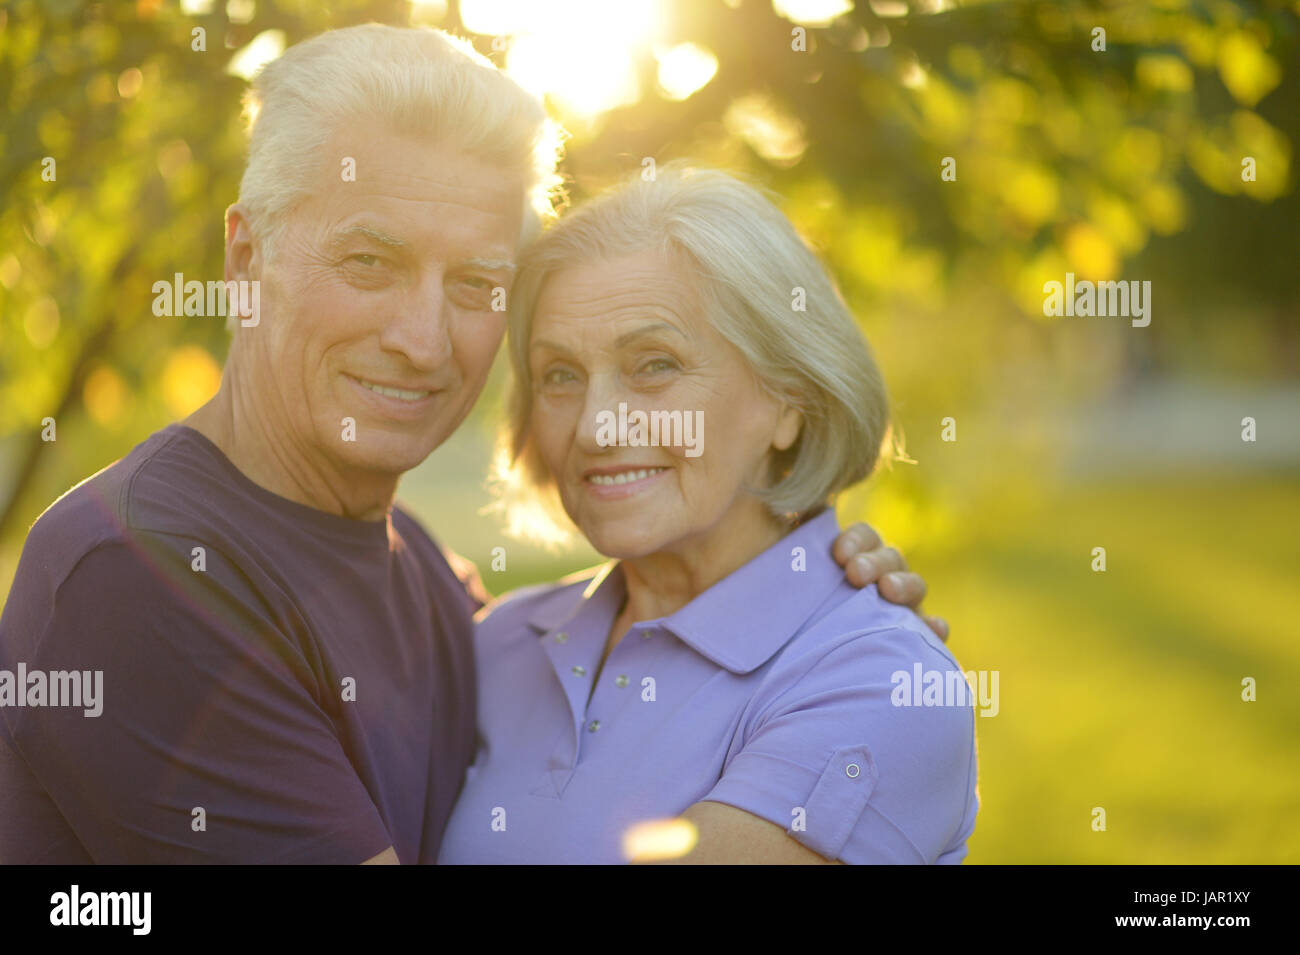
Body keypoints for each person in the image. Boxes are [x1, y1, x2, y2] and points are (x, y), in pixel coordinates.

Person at [0, 26, 932, 864]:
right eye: (371, 262)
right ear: (248, 261)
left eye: (477, 282)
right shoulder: (136, 572)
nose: (421, 338)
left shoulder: (451, 598)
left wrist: (827, 617)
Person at [437, 165, 977, 864]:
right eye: (561, 375)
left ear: (790, 401)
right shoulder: (501, 641)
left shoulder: (883, 679)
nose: (597, 426)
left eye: (654, 364)